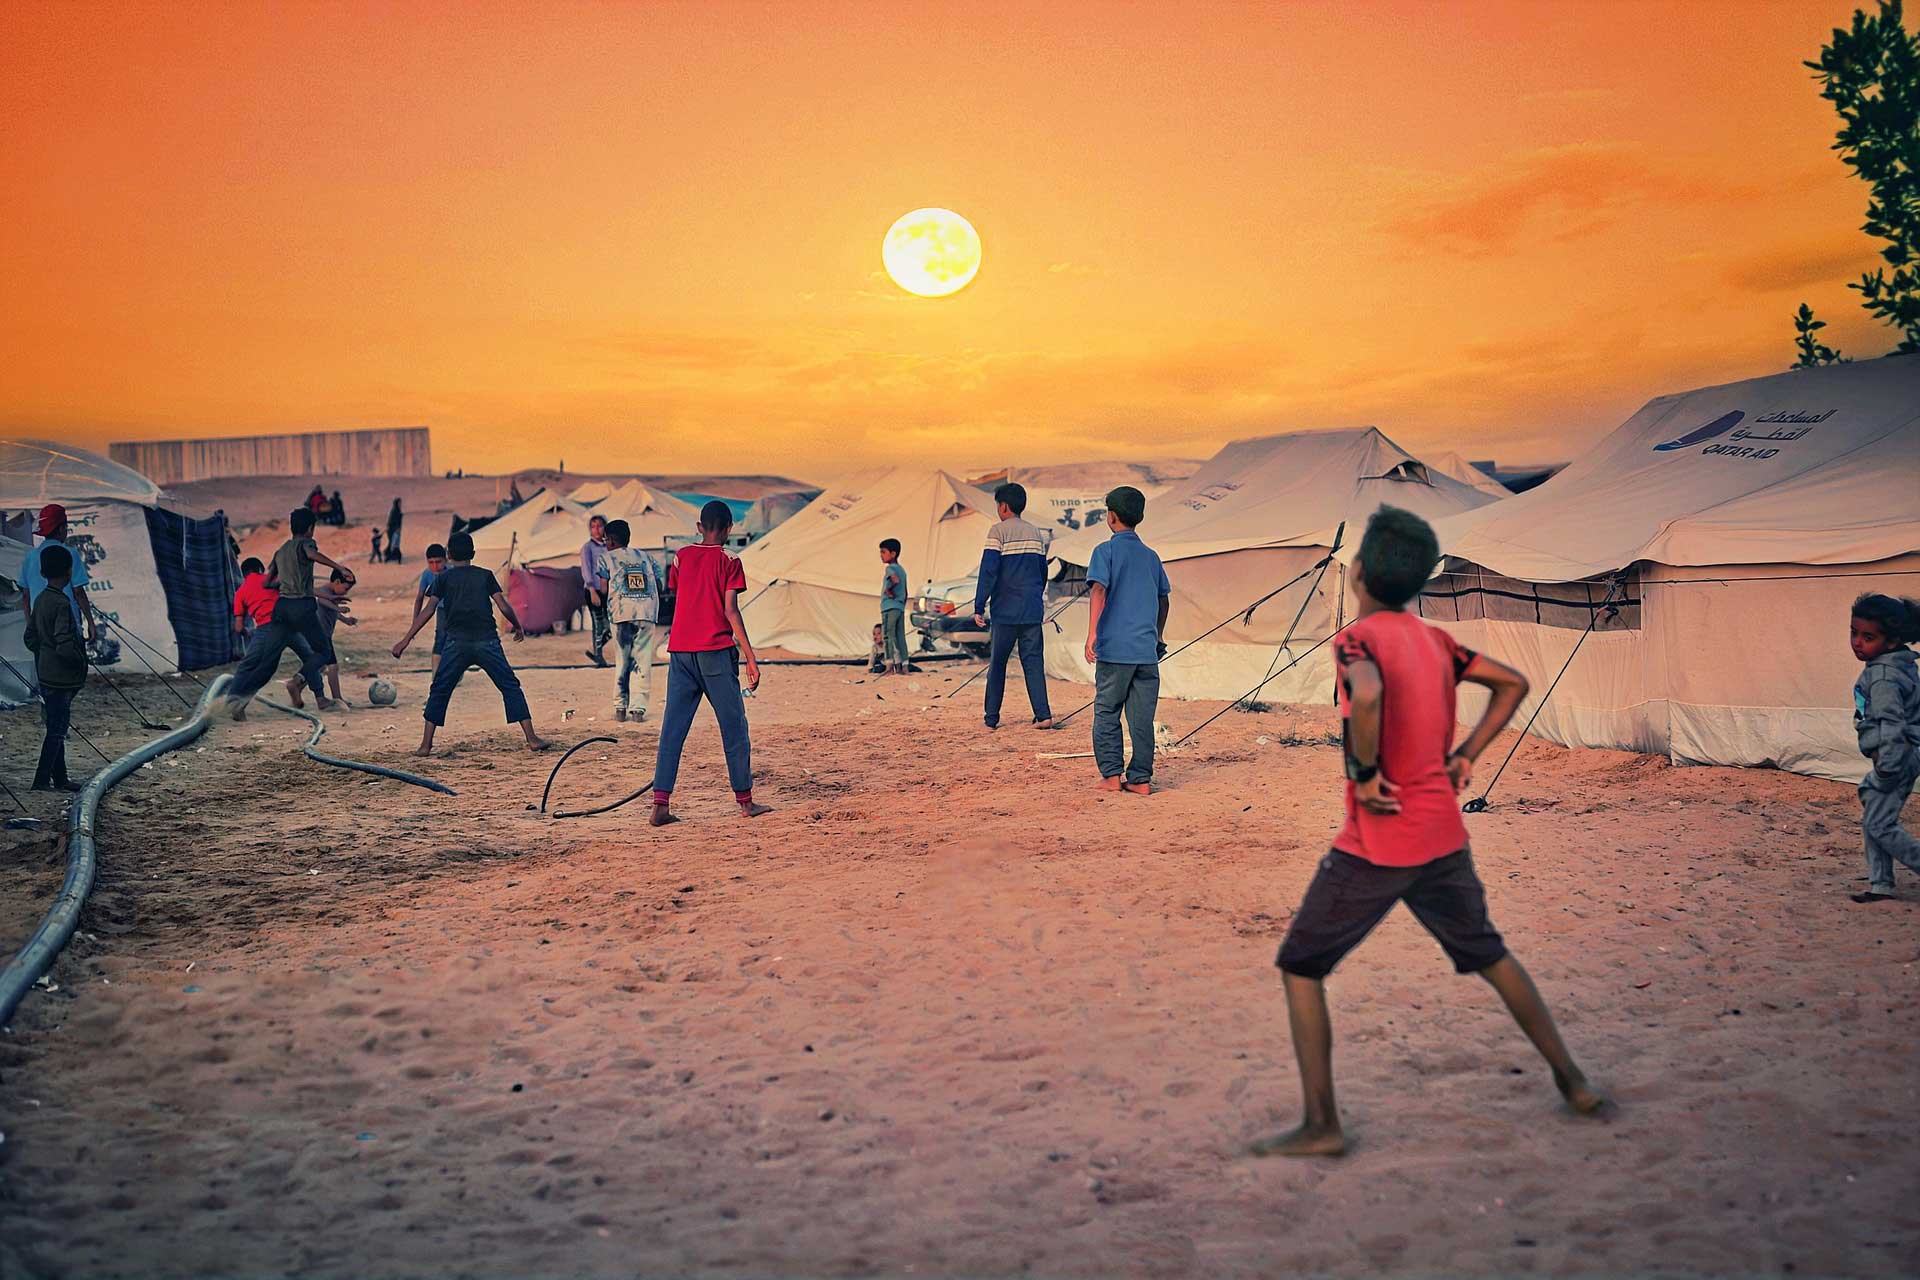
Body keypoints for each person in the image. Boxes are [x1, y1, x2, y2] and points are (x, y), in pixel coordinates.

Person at [1252, 506, 1604, 1159]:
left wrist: (1361, 772)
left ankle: (1322, 1125)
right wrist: (1468, 752)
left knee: (1300, 966)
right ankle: (1574, 1080)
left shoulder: (1357, 640)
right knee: (1491, 955)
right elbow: (1512, 683)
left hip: (1379, 842)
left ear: (1357, 573)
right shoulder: (1437, 640)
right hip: (1443, 837)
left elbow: (1366, 693)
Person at [649, 500, 768, 825]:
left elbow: (679, 593)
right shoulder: (730, 560)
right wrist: (750, 657)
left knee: (673, 728)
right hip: (714, 652)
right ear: (730, 528)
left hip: (681, 652)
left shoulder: (682, 557)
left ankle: (660, 804)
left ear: (700, 527)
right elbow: (730, 611)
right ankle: (745, 802)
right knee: (733, 728)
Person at [391, 532, 547, 756]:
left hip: (456, 644)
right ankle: (532, 738)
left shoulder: (442, 579)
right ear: (473, 554)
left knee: (440, 689)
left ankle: (425, 745)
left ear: (449, 555)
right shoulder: (485, 575)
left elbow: (429, 609)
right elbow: (502, 604)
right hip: (487, 641)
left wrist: (406, 639)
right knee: (509, 686)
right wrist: (517, 625)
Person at [1083, 486, 1170, 795]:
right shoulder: (1151, 556)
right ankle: (1140, 780)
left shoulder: (1104, 552)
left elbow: (1098, 590)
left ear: (1111, 517)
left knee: (1107, 710)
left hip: (1115, 651)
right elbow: (1163, 600)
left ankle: (1110, 776)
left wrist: (1093, 633)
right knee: (1141, 718)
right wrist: (1157, 635)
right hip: (1146, 653)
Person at [226, 508, 353, 716]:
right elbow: (311, 554)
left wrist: (326, 596)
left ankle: (238, 703)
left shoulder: (281, 551)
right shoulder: (306, 543)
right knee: (321, 653)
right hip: (301, 610)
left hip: (280, 613)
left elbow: (268, 582)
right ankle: (297, 683)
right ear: (310, 529)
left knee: (266, 665)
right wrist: (338, 567)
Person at [1847, 593, 1920, 903]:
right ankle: (1881, 885)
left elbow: (1892, 722)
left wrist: (1887, 763)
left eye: (1868, 637)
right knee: (1873, 818)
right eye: (1853, 633)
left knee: (1879, 823)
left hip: (1897, 755)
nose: (1857, 643)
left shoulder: (1884, 675)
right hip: (1896, 754)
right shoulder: (1892, 664)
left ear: (1891, 641)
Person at [972, 482, 1054, 731]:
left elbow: (989, 571)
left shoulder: (997, 532)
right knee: (1033, 663)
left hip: (1005, 611)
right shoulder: (1035, 532)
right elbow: (1043, 571)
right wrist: (1035, 598)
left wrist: (979, 605)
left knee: (998, 663)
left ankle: (991, 718)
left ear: (1003, 506)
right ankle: (1043, 716)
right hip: (1031, 610)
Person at [25, 544, 86, 792]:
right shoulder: (61, 604)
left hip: (46, 674)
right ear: (69, 572)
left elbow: (30, 637)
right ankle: (41, 780)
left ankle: (60, 779)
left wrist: (43, 656)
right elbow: (64, 643)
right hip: (62, 678)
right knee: (57, 731)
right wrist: (79, 661)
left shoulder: (40, 600)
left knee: (55, 727)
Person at [603, 518, 663, 722]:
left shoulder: (606, 558)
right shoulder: (647, 557)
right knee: (642, 659)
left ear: (610, 540)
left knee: (622, 659)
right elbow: (659, 583)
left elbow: (604, 588)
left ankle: (620, 708)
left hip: (621, 613)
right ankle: (638, 710)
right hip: (646, 612)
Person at [19, 504, 97, 653]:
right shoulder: (70, 554)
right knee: (73, 672)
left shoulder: (29, 557)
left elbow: (25, 596)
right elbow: (79, 592)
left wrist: (31, 625)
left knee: (46, 672)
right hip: (68, 627)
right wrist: (91, 623)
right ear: (62, 529)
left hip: (41, 630)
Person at [286, 567, 356, 708]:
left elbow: (332, 611)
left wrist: (345, 619)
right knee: (332, 667)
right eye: (346, 588)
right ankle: (337, 698)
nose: (346, 592)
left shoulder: (332, 596)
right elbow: (323, 602)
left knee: (318, 666)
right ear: (336, 582)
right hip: (320, 635)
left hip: (323, 634)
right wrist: (338, 608)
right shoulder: (324, 592)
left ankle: (298, 685)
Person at [580, 513, 613, 668]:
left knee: (611, 625)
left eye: (599, 526)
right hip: (594, 590)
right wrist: (592, 589)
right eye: (593, 527)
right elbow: (586, 569)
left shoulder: (609, 546)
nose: (597, 530)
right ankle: (599, 656)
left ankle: (596, 651)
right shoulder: (588, 548)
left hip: (610, 590)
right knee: (598, 624)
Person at [415, 543, 449, 675]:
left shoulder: (452, 571)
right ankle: (436, 675)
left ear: (445, 560)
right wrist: (415, 621)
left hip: (457, 609)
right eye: (431, 562)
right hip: (441, 609)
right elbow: (419, 598)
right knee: (440, 637)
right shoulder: (427, 575)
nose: (435, 566)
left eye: (438, 562)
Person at [878, 537, 909, 675]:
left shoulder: (890, 568)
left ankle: (889, 666)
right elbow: (906, 591)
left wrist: (889, 590)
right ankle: (904, 666)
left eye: (883, 552)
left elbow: (894, 580)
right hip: (899, 607)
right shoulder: (902, 570)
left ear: (893, 553)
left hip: (889, 607)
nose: (881, 555)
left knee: (888, 636)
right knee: (900, 637)